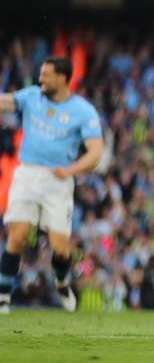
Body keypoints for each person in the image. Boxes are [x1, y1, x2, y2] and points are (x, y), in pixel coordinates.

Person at [0, 57, 103, 314]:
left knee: (59, 247)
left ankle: (61, 282)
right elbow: (6, 101)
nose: (41, 79)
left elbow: (95, 153)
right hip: (27, 173)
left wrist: (70, 170)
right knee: (19, 234)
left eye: (46, 75)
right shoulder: (32, 97)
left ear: (63, 78)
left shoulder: (83, 111)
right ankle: (3, 296)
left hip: (58, 180)